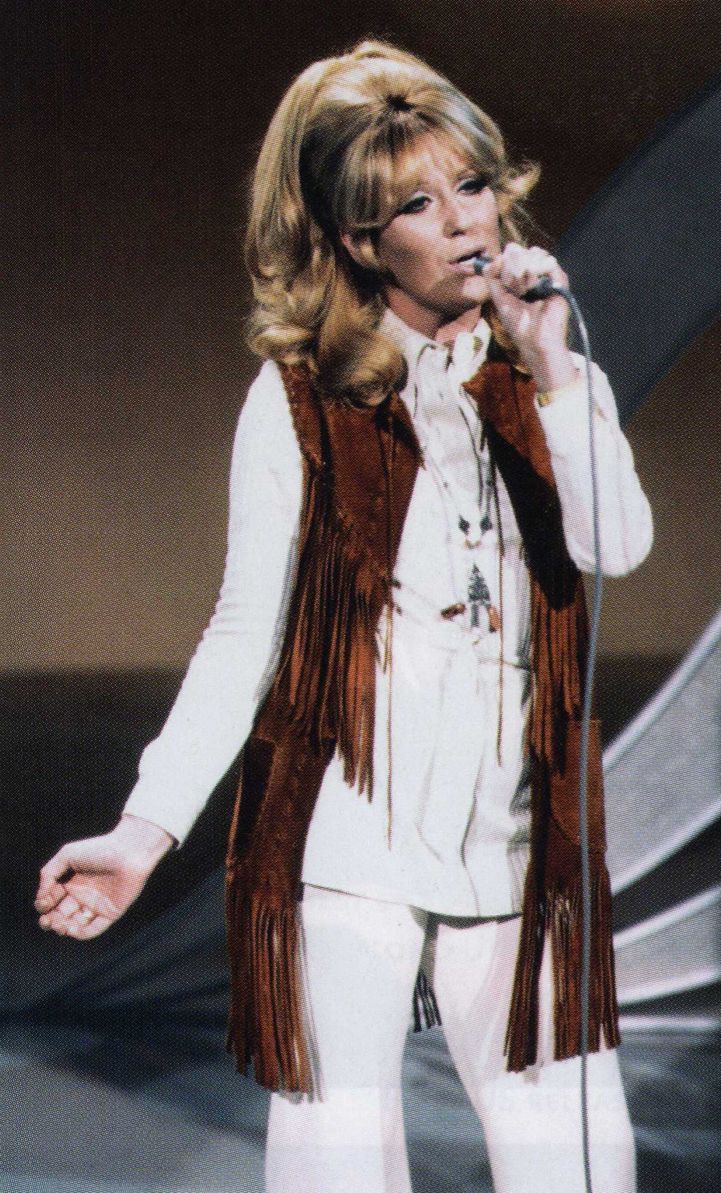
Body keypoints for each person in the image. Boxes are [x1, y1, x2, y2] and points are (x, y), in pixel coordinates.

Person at [35, 39, 653, 1193]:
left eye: (472, 184)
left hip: (520, 842)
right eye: (418, 203)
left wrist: (556, 371)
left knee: (575, 1157)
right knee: (336, 1157)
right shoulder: (297, 402)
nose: (465, 220)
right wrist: (144, 827)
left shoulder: (551, 373)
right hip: (347, 840)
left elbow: (613, 542)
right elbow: (243, 632)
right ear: (363, 242)